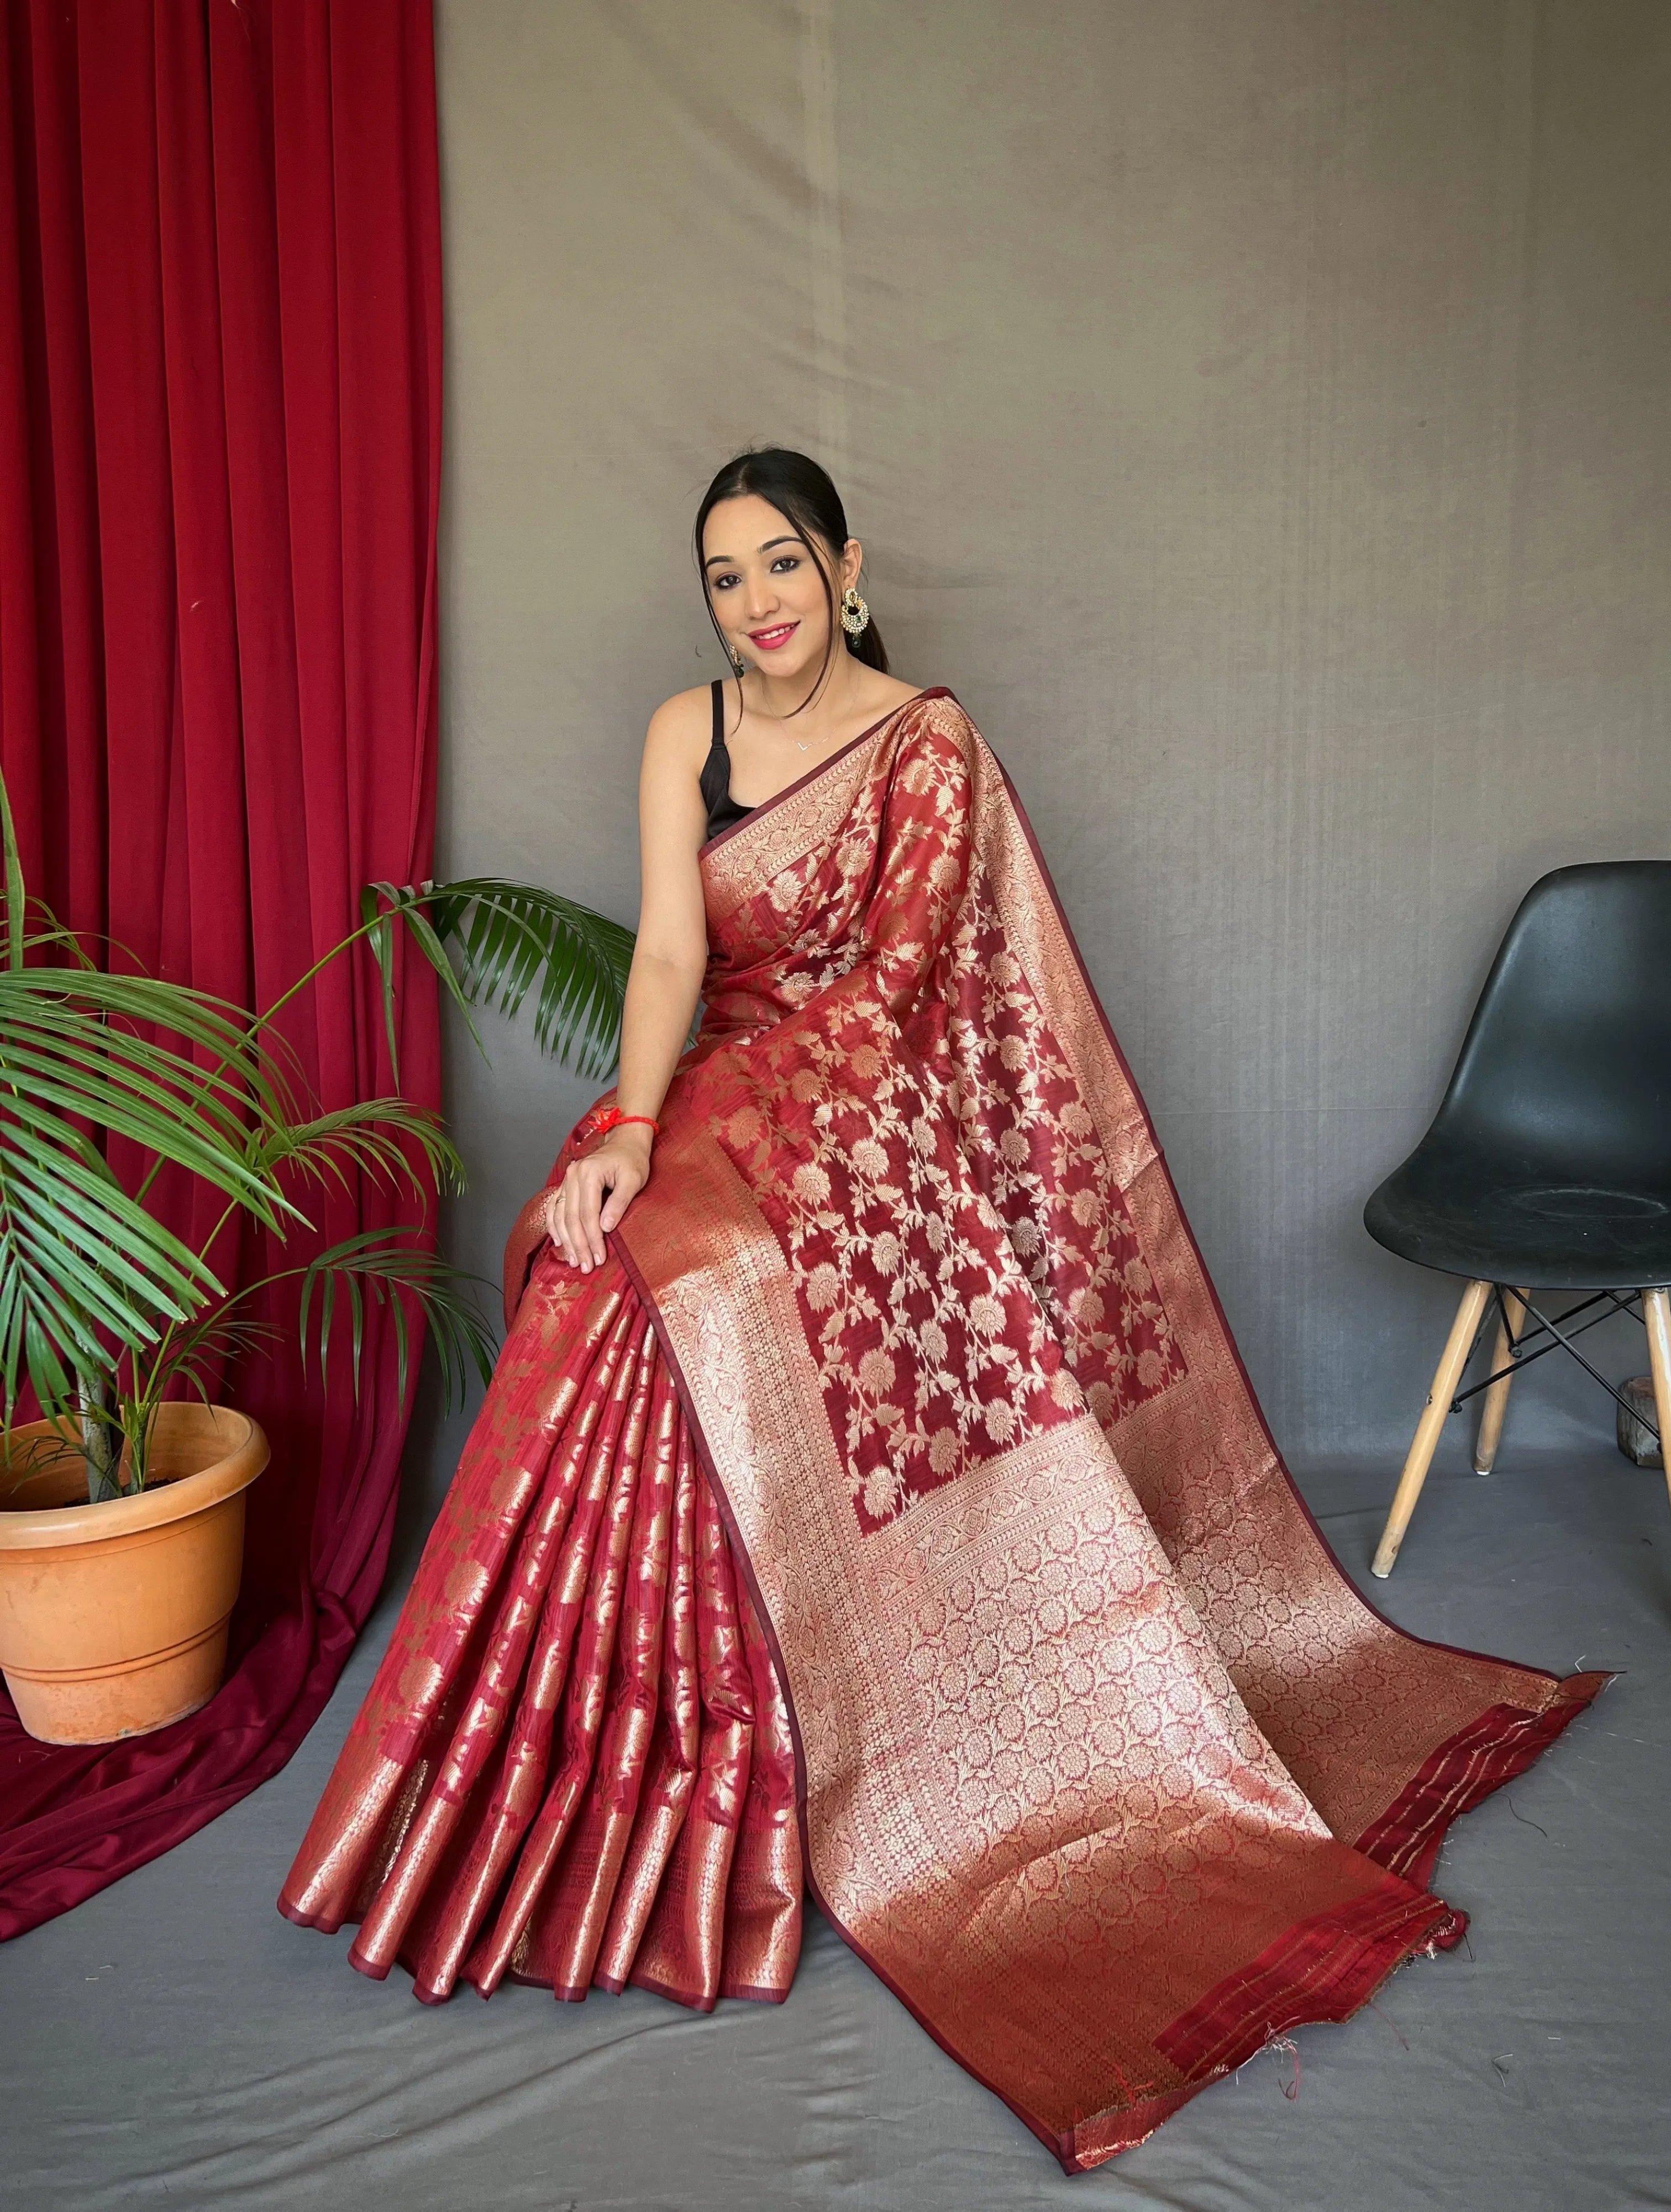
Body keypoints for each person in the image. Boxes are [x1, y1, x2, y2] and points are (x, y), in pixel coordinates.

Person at [281, 449, 1599, 2172]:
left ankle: (738, 1785)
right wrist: (623, 1130)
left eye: (780, 565)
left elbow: (902, 988)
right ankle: (565, 1802)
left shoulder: (928, 742)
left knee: (715, 1277)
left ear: (847, 565)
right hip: (724, 1084)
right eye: (722, 578)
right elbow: (672, 957)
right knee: (599, 1271)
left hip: (867, 1102)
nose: (755, 603)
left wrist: (741, 1142)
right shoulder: (690, 733)